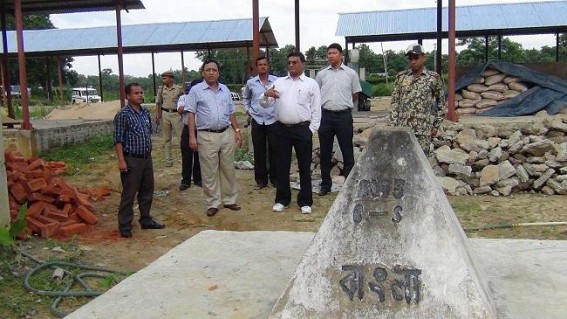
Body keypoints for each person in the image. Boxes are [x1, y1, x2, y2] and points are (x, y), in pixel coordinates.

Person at [262, 51, 321, 214]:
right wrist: (266, 95)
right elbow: (266, 104)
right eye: (289, 62)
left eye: (295, 62)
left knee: (304, 166)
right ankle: (282, 199)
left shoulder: (311, 84)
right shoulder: (279, 82)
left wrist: (311, 130)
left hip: (302, 129)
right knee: (281, 165)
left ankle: (305, 201)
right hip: (281, 129)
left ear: (303, 64)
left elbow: (316, 109)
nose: (291, 65)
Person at [186, 59, 243, 217]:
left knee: (228, 168)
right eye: (208, 70)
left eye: (214, 70)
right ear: (203, 72)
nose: (211, 72)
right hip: (206, 135)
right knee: (209, 171)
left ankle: (230, 199)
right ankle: (213, 203)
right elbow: (191, 114)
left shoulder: (224, 89)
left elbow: (231, 112)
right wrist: (192, 136)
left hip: (226, 133)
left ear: (218, 73)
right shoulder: (196, 91)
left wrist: (237, 130)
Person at [113, 83, 164, 238]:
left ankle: (146, 219)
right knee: (129, 193)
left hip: (146, 159)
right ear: (128, 96)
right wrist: (122, 161)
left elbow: (147, 134)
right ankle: (125, 225)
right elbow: (118, 140)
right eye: (136, 93)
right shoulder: (123, 115)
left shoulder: (144, 112)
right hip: (131, 159)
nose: (140, 95)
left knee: (147, 190)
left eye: (142, 92)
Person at [316, 43, 362, 196]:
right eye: (329, 53)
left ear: (341, 55)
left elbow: (355, 94)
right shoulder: (322, 74)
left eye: (334, 53)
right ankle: (325, 184)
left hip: (343, 115)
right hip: (326, 116)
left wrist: (344, 104)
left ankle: (349, 185)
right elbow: (317, 94)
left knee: (347, 150)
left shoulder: (351, 74)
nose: (331, 56)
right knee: (325, 152)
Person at [388, 44, 446, 155]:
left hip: (422, 131)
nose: (413, 61)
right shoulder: (401, 77)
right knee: (402, 161)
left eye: (416, 58)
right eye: (410, 59)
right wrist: (393, 125)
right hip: (403, 130)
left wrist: (436, 126)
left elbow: (441, 104)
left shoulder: (433, 78)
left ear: (423, 58)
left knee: (421, 164)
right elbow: (395, 102)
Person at [243, 56, 278, 190]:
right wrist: (248, 111)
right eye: (260, 65)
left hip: (273, 120)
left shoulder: (277, 81)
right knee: (259, 151)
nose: (263, 66)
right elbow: (246, 98)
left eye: (265, 64)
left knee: (274, 151)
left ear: (268, 66)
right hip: (257, 120)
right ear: (256, 67)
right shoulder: (251, 83)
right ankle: (261, 180)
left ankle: (275, 179)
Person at [177, 79, 202, 190]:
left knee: (199, 157)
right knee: (187, 157)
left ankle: (198, 179)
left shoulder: (204, 98)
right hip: (187, 130)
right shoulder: (184, 98)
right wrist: (191, 103)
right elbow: (180, 109)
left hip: (201, 130)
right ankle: (185, 181)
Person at [156, 70, 184, 167]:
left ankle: (184, 159)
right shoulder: (161, 89)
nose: (164, 80)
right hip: (165, 114)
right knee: (167, 139)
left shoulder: (179, 89)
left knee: (181, 138)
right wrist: (158, 115)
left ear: (171, 79)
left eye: (165, 78)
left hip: (176, 114)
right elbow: (158, 102)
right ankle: (168, 160)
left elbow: (183, 101)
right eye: (163, 78)